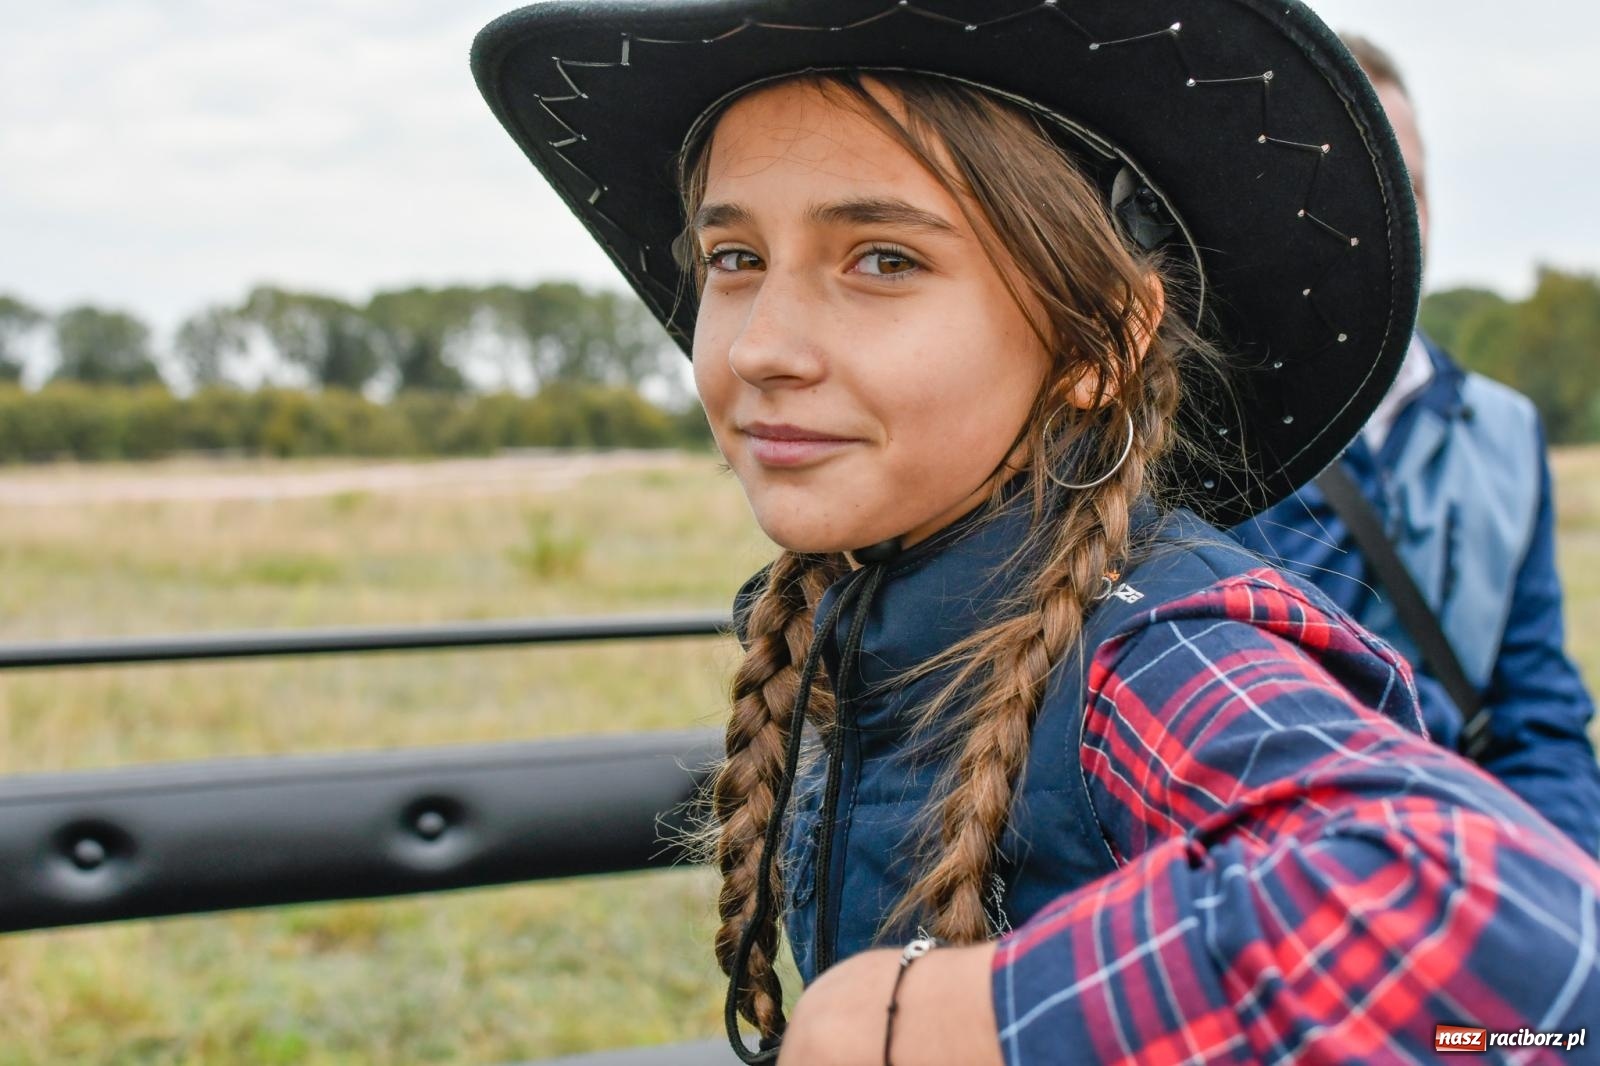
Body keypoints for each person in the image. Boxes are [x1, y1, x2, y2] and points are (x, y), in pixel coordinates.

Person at [472, 3, 1600, 1062]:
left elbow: (1506, 933)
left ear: (1099, 339)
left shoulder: (1150, 654)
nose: (762, 344)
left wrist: (922, 1014)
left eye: (883, 259)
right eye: (735, 260)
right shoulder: (872, 617)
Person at [1232, 34, 1600, 856]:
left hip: (1480, 862)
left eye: (1411, 192)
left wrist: (1561, 879)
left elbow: (1535, 710)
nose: (1392, 228)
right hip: (1285, 882)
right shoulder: (1210, 440)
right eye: (1357, 197)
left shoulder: (1507, 430)